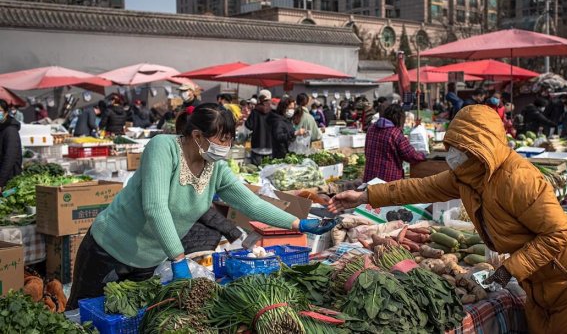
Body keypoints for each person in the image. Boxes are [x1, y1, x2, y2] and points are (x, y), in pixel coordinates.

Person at [329, 104, 567, 334]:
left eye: (460, 149)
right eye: (453, 147)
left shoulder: (518, 179)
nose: (453, 155)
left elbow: (559, 234)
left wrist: (508, 269)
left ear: (482, 147)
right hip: (539, 285)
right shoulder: (467, 175)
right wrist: (365, 196)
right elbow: (418, 187)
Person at [66, 104, 336, 309]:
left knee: (129, 318)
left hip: (148, 261)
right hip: (108, 250)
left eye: (230, 140)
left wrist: (297, 223)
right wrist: (178, 258)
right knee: (84, 317)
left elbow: (250, 202)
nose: (227, 147)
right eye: (222, 140)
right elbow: (155, 207)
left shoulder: (215, 167)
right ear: (197, 135)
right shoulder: (163, 148)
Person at [363, 104, 426, 182]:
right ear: (399, 119)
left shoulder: (371, 128)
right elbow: (410, 155)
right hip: (389, 179)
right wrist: (423, 155)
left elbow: (366, 151)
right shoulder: (395, 133)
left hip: (370, 178)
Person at [245, 90, 274, 165]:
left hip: (257, 146)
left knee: (255, 173)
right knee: (267, 173)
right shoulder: (273, 112)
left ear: (260, 99)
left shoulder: (255, 111)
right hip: (270, 147)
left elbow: (249, 125)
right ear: (270, 99)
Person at [0, 100, 22, 191]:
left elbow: (10, 157)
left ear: (5, 113)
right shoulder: (1, 128)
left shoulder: (10, 130)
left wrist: (1, 182)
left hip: (9, 178)